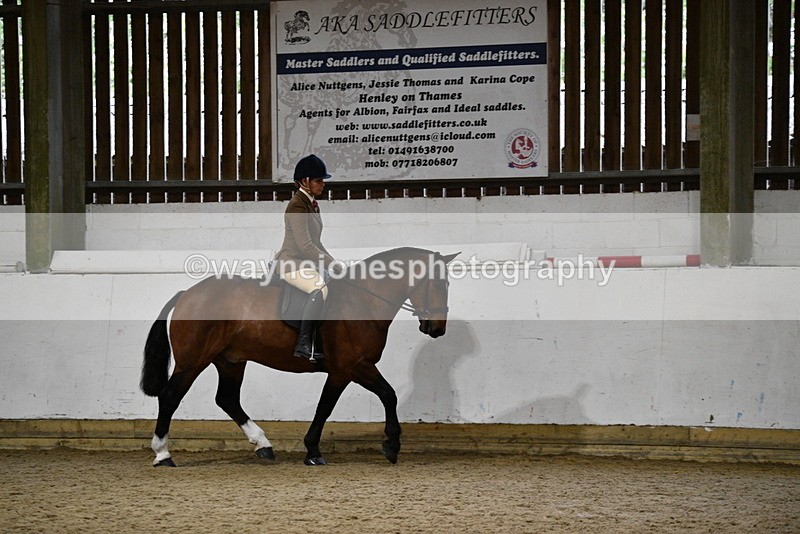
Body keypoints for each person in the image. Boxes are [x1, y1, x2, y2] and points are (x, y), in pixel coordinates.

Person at [274, 154, 336, 360]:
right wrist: (330, 264)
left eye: (322, 180)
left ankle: (320, 341)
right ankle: (304, 342)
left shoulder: (312, 204)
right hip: (291, 263)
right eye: (319, 180)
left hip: (305, 263)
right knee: (319, 288)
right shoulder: (297, 205)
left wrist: (334, 263)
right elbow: (305, 245)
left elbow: (317, 243)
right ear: (305, 182)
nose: (323, 184)